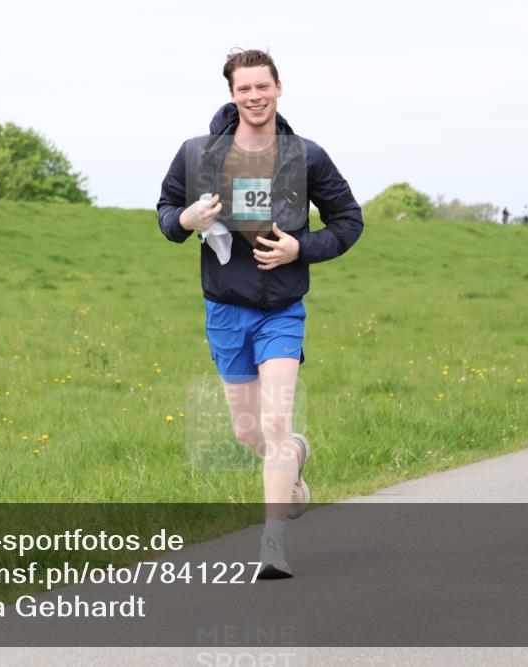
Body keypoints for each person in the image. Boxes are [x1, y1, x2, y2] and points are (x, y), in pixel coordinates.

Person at [156, 49, 364, 579]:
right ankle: (295, 456)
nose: (254, 97)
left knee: (274, 421)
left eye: (262, 87)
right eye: (244, 88)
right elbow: (165, 216)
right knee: (252, 434)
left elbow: (348, 220)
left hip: (281, 308)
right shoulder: (196, 153)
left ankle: (273, 544)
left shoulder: (306, 156)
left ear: (278, 89)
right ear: (232, 94)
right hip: (225, 308)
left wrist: (302, 249)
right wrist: (186, 216)